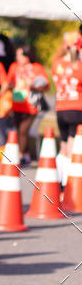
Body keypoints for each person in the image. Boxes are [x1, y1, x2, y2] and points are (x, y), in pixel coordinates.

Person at [6, 45, 49, 164]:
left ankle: (21, 155)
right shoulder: (14, 67)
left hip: (31, 105)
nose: (17, 57)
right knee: (18, 130)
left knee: (23, 130)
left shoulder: (37, 68)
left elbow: (46, 85)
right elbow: (9, 82)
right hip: (17, 103)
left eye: (20, 55)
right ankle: (26, 155)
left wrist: (33, 86)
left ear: (27, 56)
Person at [51, 32, 82, 185]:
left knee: (63, 145)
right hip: (76, 108)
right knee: (72, 146)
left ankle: (57, 179)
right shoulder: (79, 66)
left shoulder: (57, 64)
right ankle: (67, 183)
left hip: (60, 108)